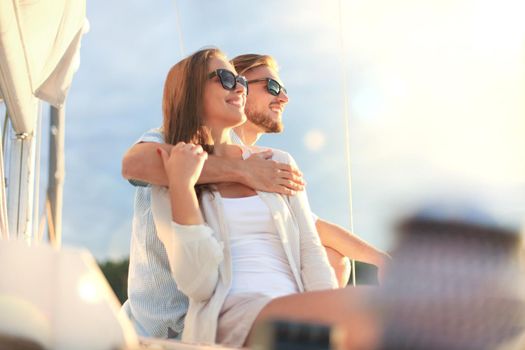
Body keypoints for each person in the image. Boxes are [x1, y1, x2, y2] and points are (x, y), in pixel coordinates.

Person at [121, 52, 387, 340]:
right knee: (379, 312)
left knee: (338, 263)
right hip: (178, 319)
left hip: (281, 303)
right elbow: (136, 164)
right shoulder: (174, 151)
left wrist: (381, 260)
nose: (283, 98)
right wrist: (237, 172)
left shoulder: (274, 163)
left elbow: (309, 233)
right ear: (194, 91)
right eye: (272, 87)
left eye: (239, 83)